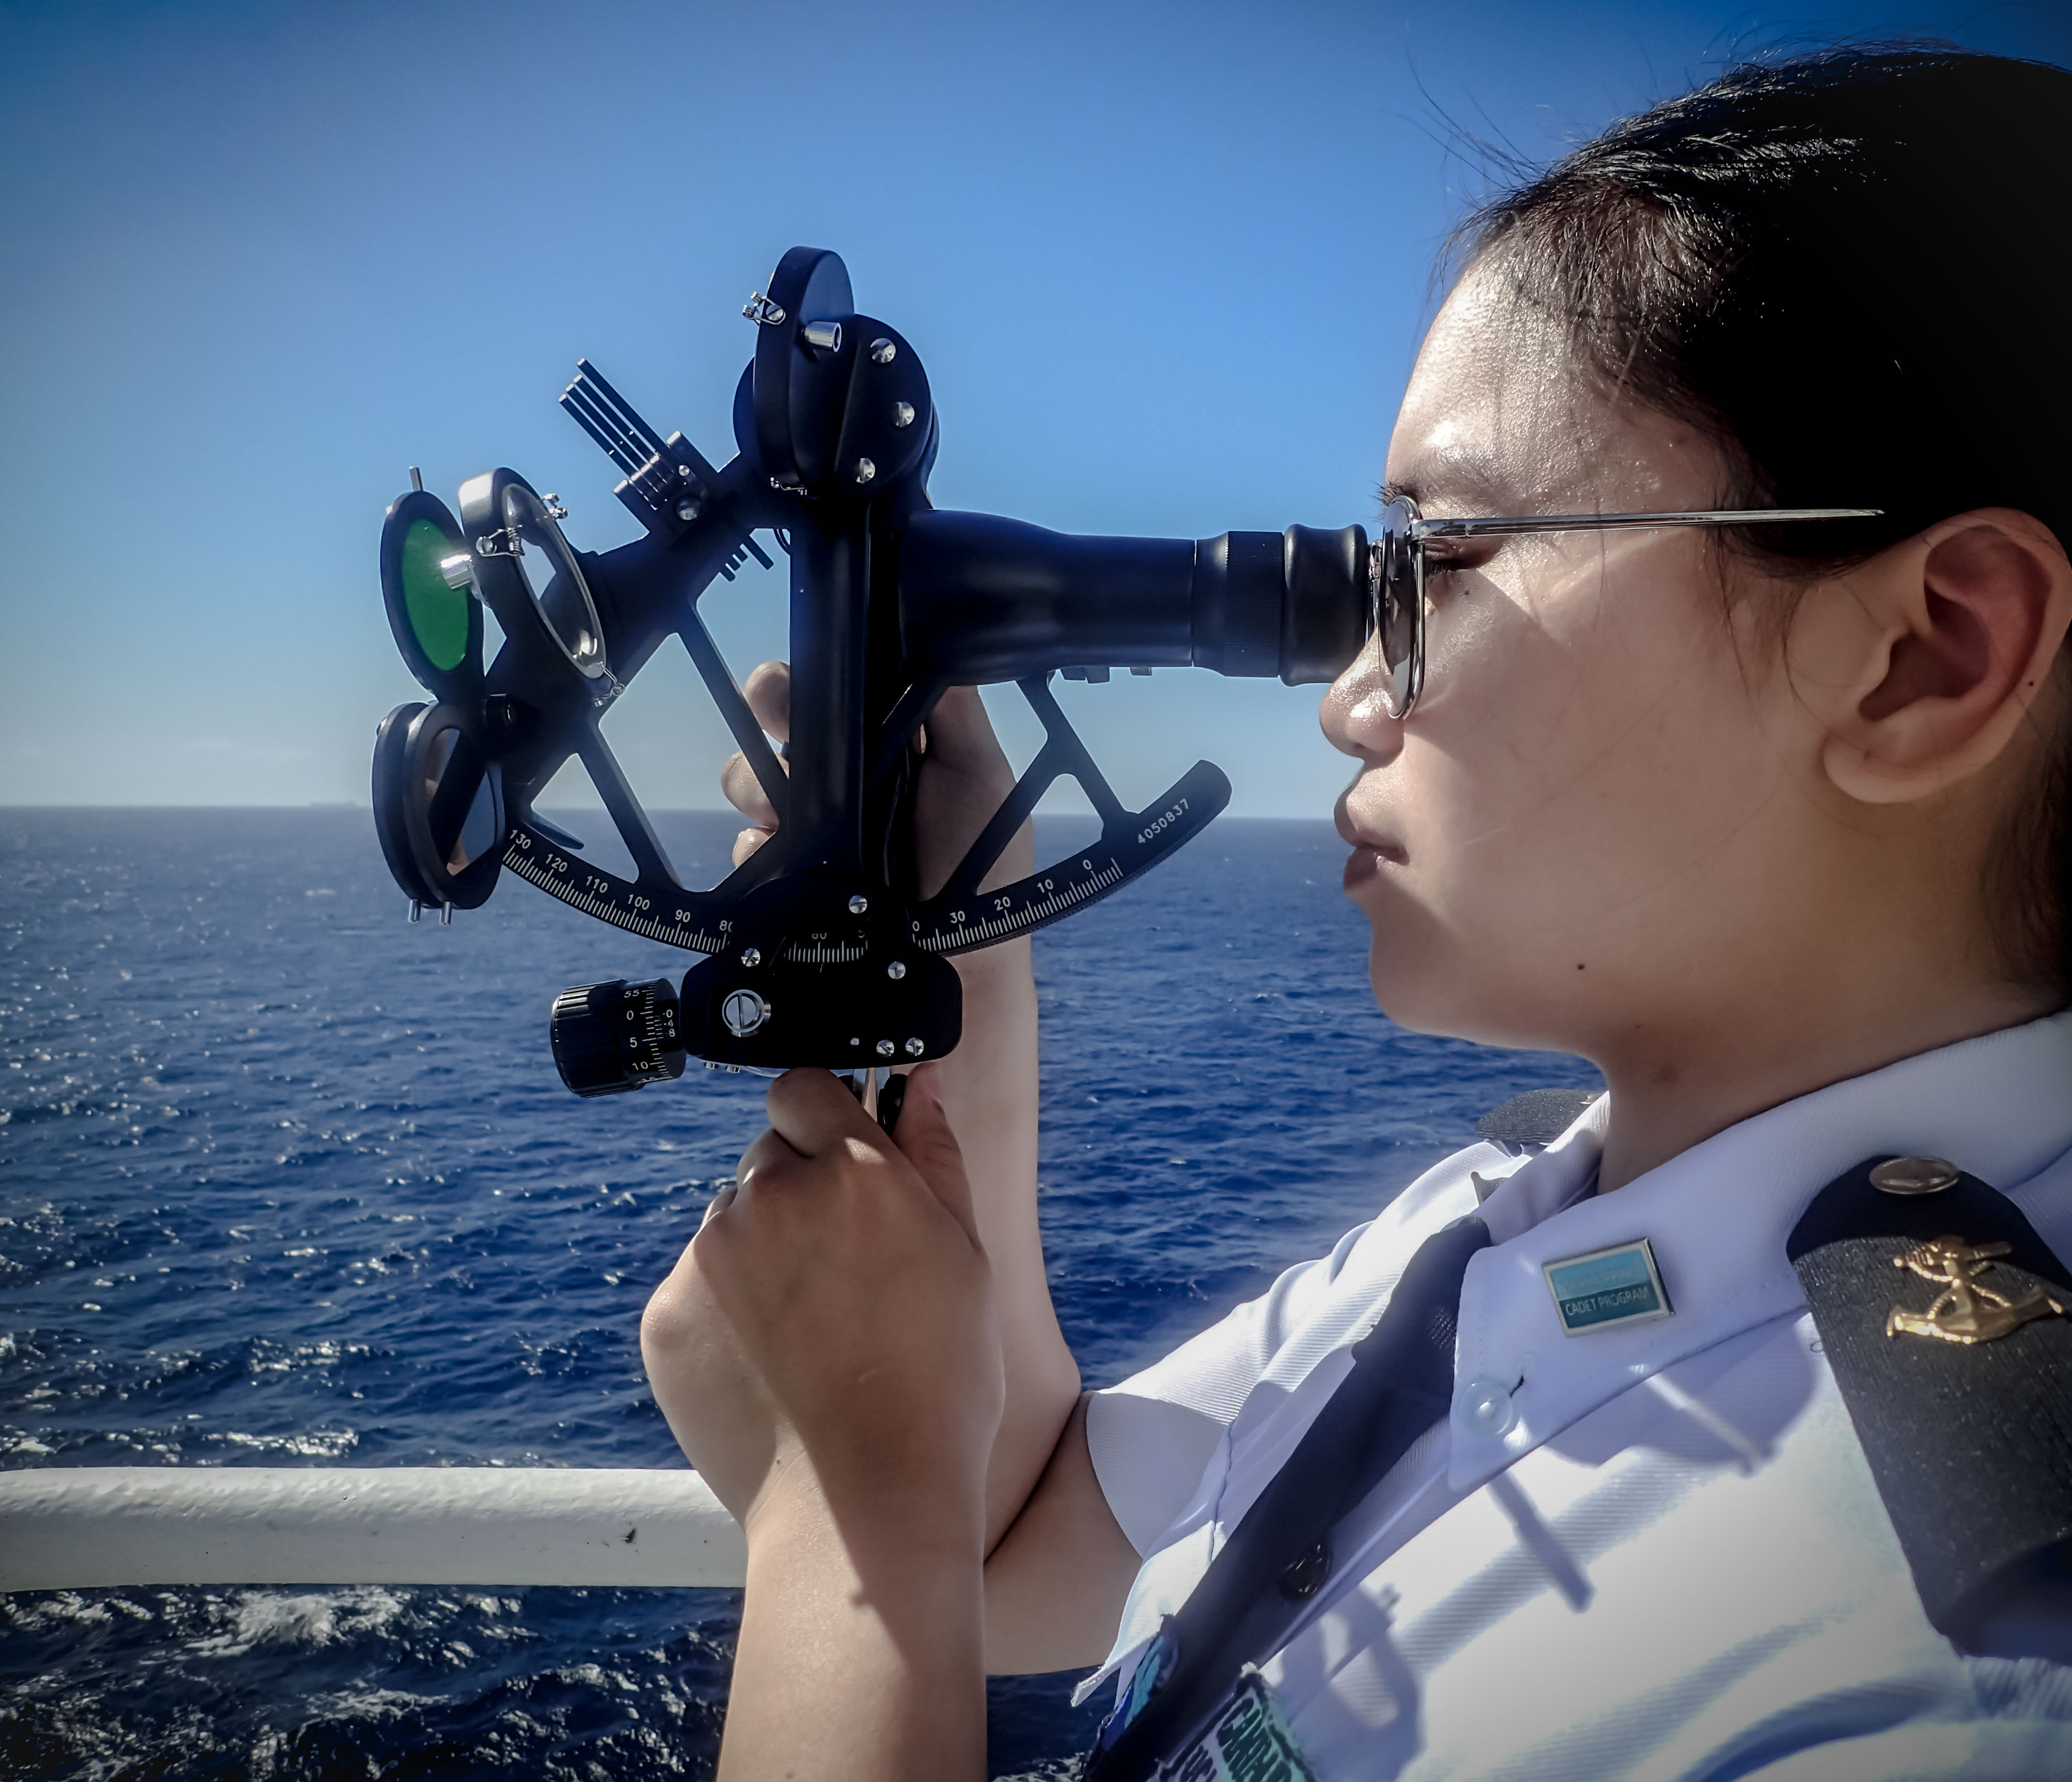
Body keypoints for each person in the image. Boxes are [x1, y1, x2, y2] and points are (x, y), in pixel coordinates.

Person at [640, 43, 2072, 1781]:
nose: (1346, 698)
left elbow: (921, 1545)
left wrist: (836, 1542)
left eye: (1446, 561)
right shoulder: (1502, 1225)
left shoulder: (1962, 1676)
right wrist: (970, 996)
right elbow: (1017, 1547)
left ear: (1929, 658)